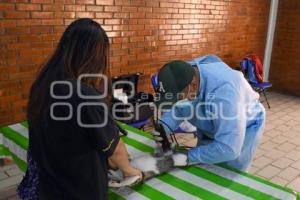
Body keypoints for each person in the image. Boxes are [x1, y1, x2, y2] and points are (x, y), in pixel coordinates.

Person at [18, 18, 141, 200]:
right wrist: (131, 171)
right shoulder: (84, 95)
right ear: (94, 55)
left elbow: (68, 136)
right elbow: (115, 149)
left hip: (49, 186)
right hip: (79, 190)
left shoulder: (43, 84)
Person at [155, 55, 266, 171]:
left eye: (178, 99)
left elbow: (229, 148)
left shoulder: (225, 92)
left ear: (193, 86)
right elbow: (177, 109)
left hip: (245, 126)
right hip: (210, 121)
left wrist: (187, 156)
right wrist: (164, 127)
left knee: (229, 174)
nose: (175, 103)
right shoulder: (184, 74)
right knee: (204, 167)